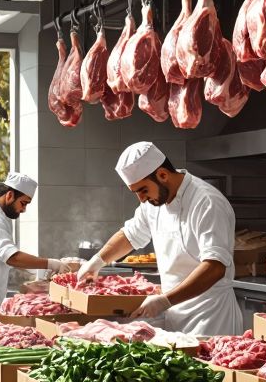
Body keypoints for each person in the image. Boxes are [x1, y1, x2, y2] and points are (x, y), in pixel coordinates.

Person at [77, 142, 240, 336]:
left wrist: (164, 300)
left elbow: (215, 267)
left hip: (210, 317)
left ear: (163, 175)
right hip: (173, 311)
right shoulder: (154, 204)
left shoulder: (206, 202)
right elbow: (130, 234)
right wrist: (97, 261)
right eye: (136, 192)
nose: (141, 198)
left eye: (143, 190)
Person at [0, 172, 79, 309]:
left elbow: (4, 258)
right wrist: (51, 264)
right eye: (23, 203)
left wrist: (34, 273)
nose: (24, 209)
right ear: (9, 195)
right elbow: (11, 257)